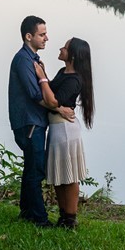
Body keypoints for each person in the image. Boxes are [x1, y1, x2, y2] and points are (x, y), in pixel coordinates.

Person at [8, 15, 74, 227]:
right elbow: (36, 95)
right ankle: (39, 218)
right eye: (42, 34)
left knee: (32, 168)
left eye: (46, 33)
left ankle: (27, 212)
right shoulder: (23, 60)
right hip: (29, 123)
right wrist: (59, 108)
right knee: (36, 171)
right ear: (29, 36)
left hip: (35, 122)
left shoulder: (34, 60)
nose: (47, 38)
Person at [35, 37, 94, 230]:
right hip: (58, 128)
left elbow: (53, 100)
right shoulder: (64, 72)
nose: (61, 48)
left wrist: (42, 78)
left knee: (69, 176)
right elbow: (51, 94)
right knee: (61, 175)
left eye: (66, 48)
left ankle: (70, 219)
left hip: (65, 130)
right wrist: (45, 76)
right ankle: (63, 217)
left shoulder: (75, 80)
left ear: (73, 55)